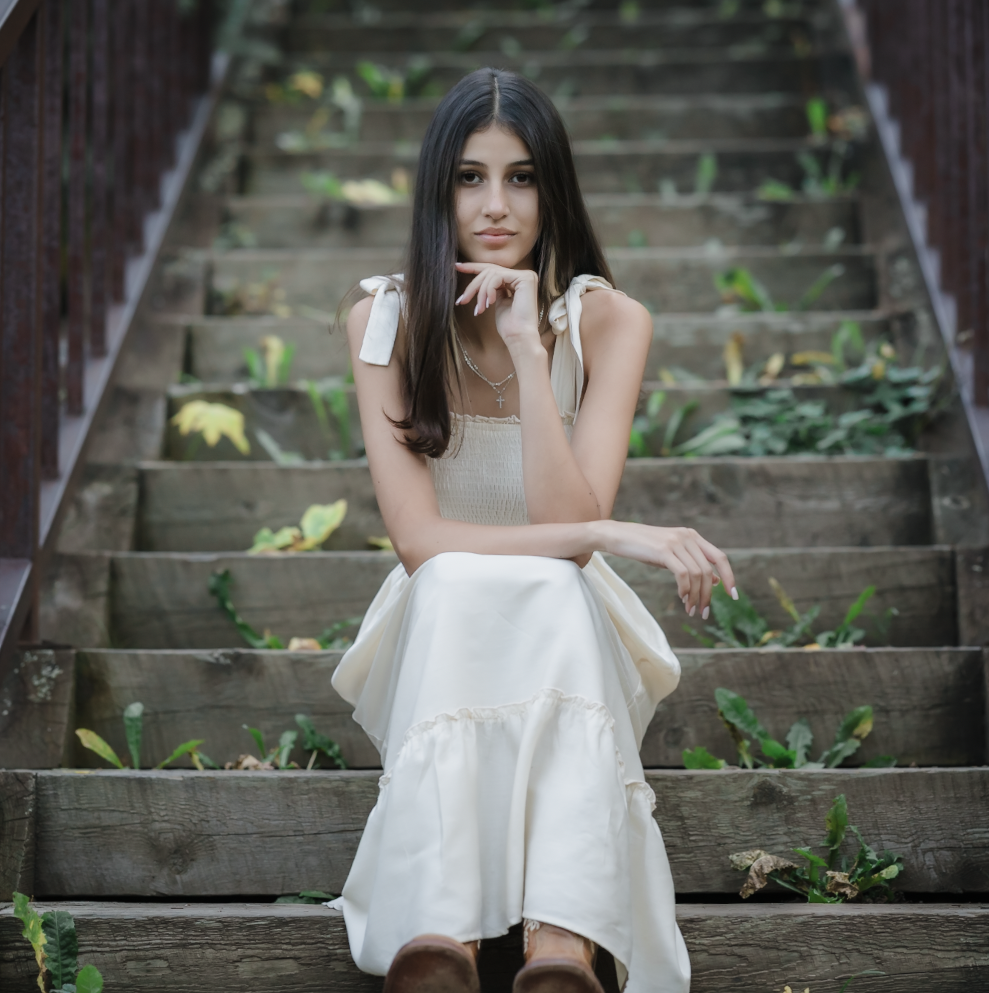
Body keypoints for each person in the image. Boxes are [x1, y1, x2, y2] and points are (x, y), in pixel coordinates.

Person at [329, 67, 735, 993]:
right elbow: (421, 542)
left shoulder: (608, 322)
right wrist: (620, 531)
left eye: (521, 177)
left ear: (554, 189)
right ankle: (441, 941)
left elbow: (566, 529)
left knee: (554, 580)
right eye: (470, 178)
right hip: (441, 621)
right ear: (439, 190)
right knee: (463, 579)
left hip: (561, 622)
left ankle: (564, 943)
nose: (497, 205)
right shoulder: (380, 322)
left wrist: (526, 341)